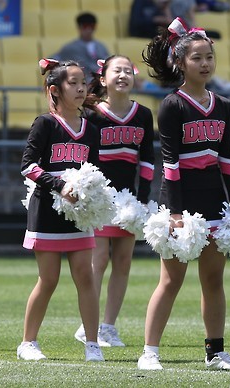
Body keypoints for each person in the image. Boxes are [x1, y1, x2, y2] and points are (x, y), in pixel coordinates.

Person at [137, 17, 230, 371]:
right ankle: (149, 351)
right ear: (180, 63)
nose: (205, 64)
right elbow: (170, 162)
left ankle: (215, 351)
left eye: (209, 57)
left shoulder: (224, 104)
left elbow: (227, 157)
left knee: (214, 279)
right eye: (197, 58)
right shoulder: (172, 105)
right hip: (181, 201)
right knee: (170, 280)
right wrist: (176, 212)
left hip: (215, 198)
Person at [18, 59, 104, 362]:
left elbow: (93, 170)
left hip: (77, 214)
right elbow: (28, 166)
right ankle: (28, 343)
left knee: (86, 275)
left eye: (83, 82)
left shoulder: (92, 131)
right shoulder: (45, 124)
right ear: (55, 89)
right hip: (47, 210)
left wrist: (92, 194)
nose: (81, 88)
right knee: (49, 278)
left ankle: (92, 344)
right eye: (73, 83)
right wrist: (59, 185)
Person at [73, 55, 155, 347]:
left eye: (128, 71)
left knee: (123, 261)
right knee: (100, 259)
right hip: (99, 200)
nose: (123, 75)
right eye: (116, 71)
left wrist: (142, 199)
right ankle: (88, 326)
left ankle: (108, 326)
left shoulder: (143, 114)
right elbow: (84, 159)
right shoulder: (93, 114)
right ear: (104, 77)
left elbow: (147, 160)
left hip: (129, 200)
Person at [51, 12, 110, 83]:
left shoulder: (101, 47)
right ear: (79, 27)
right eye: (85, 26)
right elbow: (55, 60)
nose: (88, 30)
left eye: (91, 26)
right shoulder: (70, 48)